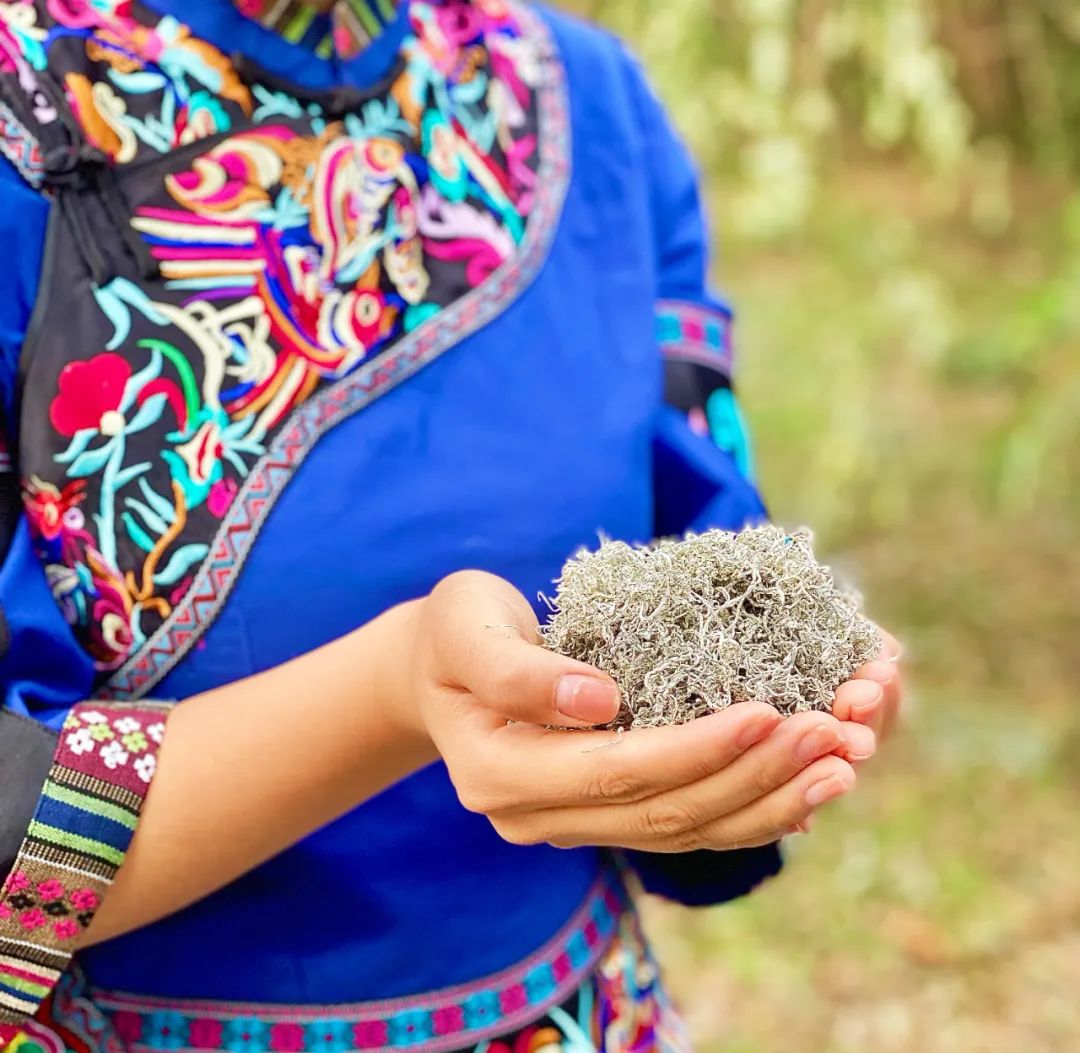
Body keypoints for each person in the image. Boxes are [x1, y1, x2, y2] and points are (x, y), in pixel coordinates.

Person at [0, 0, 903, 1049]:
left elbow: (713, 536)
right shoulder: (32, 112)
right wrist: (392, 693)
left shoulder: (583, 100)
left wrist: (789, 719)